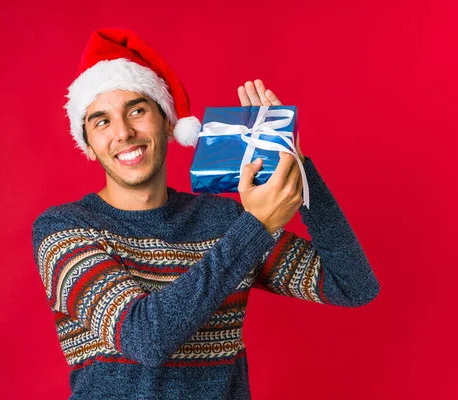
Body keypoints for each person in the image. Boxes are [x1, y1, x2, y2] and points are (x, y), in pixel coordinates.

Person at [32, 28, 380, 400]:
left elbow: (353, 286)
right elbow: (145, 338)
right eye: (101, 121)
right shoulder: (63, 229)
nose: (123, 132)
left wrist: (294, 160)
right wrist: (256, 226)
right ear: (87, 145)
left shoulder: (224, 222)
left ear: (167, 122)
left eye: (136, 110)